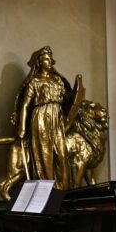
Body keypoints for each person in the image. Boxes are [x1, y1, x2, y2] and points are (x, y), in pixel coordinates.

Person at [12, 46, 74, 190]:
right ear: (40, 62)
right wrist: (21, 126)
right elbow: (25, 105)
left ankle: (62, 190)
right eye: (46, 59)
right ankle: (47, 191)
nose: (50, 62)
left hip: (57, 117)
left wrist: (77, 92)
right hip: (40, 116)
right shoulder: (34, 81)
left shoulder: (58, 80)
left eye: (50, 59)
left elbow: (68, 100)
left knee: (61, 155)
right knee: (43, 154)